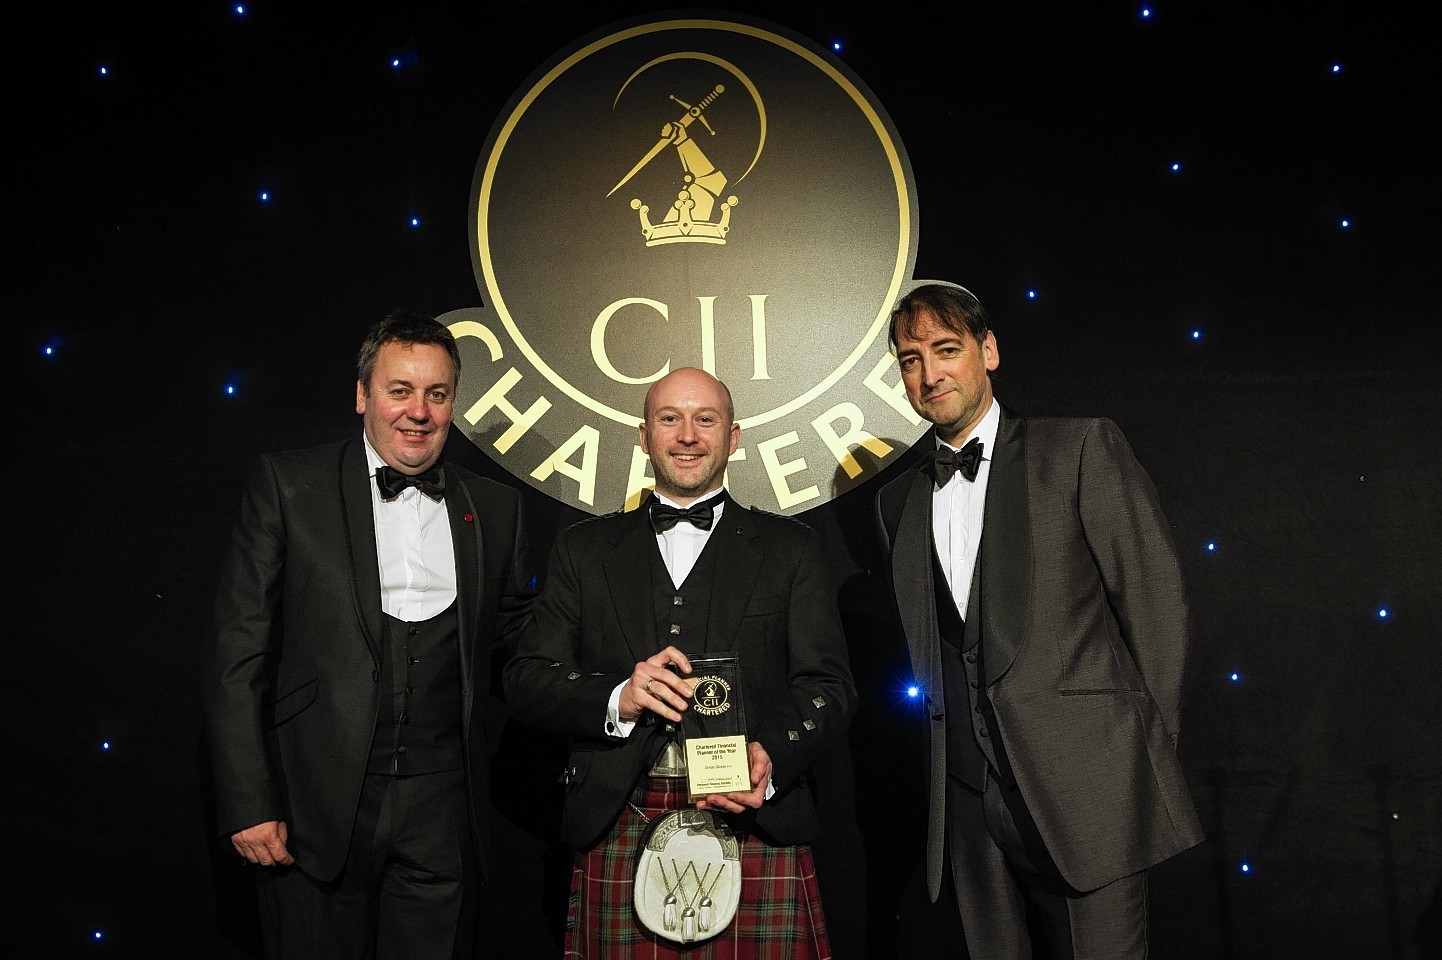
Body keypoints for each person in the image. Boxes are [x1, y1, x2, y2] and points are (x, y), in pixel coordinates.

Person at [873, 283, 1204, 959]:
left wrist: (1139, 765)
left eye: (946, 350)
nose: (930, 373)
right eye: (911, 359)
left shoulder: (1079, 449)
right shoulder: (895, 503)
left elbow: (1156, 604)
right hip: (966, 807)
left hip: (1091, 793)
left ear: (987, 351)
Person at [201, 311, 537, 959]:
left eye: (437, 395)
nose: (419, 411)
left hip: (443, 812)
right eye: (399, 390)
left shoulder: (494, 508)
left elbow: (517, 644)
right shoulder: (289, 487)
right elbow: (235, 656)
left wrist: (608, 687)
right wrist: (247, 800)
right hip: (312, 810)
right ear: (362, 395)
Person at [503, 366, 857, 958]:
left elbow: (829, 686)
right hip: (620, 813)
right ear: (644, 436)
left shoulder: (792, 548)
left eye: (705, 419)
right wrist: (618, 696)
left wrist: (772, 755)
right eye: (670, 419)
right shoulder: (582, 550)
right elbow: (526, 680)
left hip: (753, 819)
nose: (687, 435)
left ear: (735, 437)